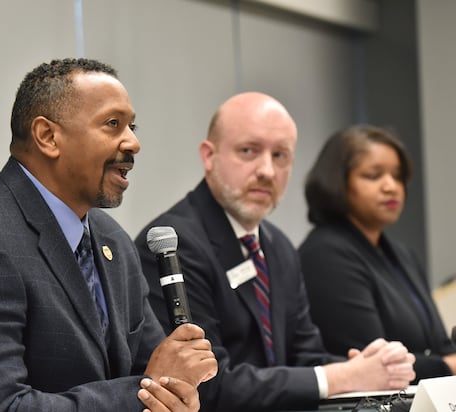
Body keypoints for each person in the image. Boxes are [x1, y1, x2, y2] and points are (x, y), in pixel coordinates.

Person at [0, 58, 217, 412]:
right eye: (113, 124)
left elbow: (154, 373)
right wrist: (145, 394)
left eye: (132, 126)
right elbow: (0, 407)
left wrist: (174, 395)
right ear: (48, 136)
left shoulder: (112, 242)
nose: (133, 143)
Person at [134, 92, 416, 412]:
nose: (267, 170)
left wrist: (371, 367)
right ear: (209, 156)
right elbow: (207, 383)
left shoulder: (278, 246)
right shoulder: (176, 243)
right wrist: (341, 376)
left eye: (280, 155)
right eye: (248, 151)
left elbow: (305, 357)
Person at [298, 124, 456, 381]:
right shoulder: (325, 254)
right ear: (337, 182)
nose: (390, 186)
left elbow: (441, 345)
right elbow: (372, 361)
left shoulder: (403, 255)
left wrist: (446, 362)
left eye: (398, 176)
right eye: (373, 175)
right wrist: (447, 367)